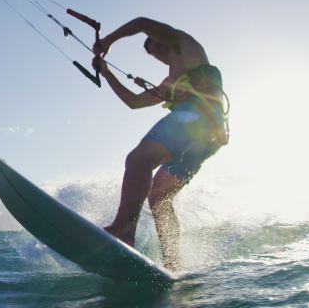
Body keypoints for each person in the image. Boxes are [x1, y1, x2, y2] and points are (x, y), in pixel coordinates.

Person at [92, 17, 227, 271]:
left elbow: (142, 22)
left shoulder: (183, 43)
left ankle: (123, 229)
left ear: (164, 36)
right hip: (206, 139)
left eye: (156, 44)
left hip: (194, 119)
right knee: (159, 198)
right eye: (152, 52)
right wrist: (106, 71)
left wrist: (108, 41)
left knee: (137, 160)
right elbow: (133, 102)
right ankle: (173, 263)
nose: (157, 51)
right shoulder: (170, 82)